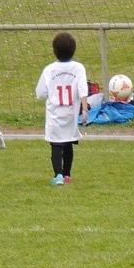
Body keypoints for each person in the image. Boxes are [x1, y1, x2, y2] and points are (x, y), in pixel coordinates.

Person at [36, 32, 89, 186]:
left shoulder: (49, 70)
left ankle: (58, 175)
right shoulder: (78, 68)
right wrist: (85, 109)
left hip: (54, 114)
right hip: (71, 113)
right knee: (68, 142)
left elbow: (40, 93)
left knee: (56, 144)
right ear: (74, 50)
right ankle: (67, 175)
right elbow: (83, 89)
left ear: (54, 51)